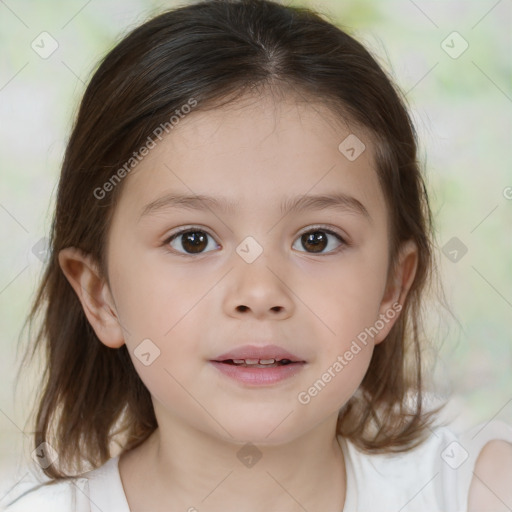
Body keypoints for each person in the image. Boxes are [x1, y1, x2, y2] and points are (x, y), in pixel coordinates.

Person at [2, 0, 512, 511]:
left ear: (392, 289)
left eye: (317, 239)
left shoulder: (479, 493)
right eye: (193, 240)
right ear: (100, 295)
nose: (259, 293)